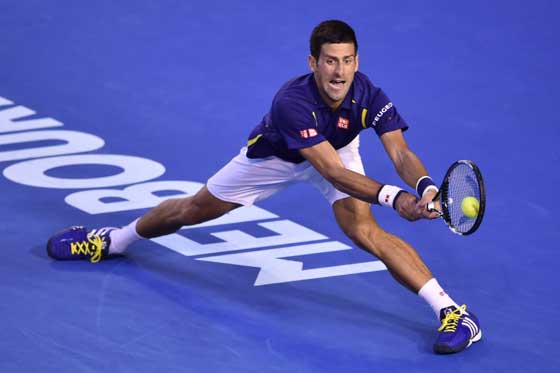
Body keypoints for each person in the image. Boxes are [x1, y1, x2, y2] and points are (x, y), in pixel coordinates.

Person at [46, 20, 481, 354]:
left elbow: (400, 152)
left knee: (366, 232)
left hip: (338, 153)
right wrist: (394, 197)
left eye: (348, 60)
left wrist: (423, 186)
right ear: (313, 63)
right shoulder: (291, 102)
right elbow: (331, 172)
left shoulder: (369, 93)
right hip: (278, 158)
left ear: (357, 62)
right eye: (331, 60)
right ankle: (114, 241)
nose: (340, 71)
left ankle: (453, 313)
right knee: (192, 210)